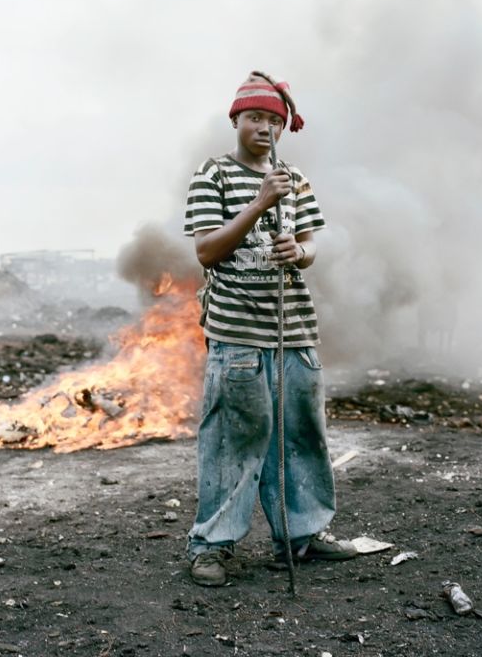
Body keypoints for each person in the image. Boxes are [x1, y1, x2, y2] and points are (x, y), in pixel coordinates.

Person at [183, 71, 357, 587]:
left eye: (273, 120)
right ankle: (211, 546)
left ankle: (302, 536)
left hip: (295, 332)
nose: (264, 127)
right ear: (235, 120)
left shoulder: (297, 180)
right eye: (254, 117)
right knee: (234, 440)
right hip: (237, 335)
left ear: (284, 128)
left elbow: (311, 243)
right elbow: (207, 250)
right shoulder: (212, 174)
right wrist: (259, 202)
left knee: (302, 436)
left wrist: (298, 252)